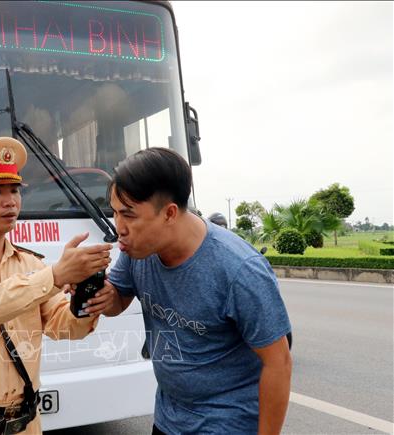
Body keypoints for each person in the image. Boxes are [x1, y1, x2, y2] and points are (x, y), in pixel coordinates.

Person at [84, 148, 292, 434]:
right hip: (170, 417)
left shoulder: (239, 270)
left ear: (169, 213)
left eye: (129, 215)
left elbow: (278, 362)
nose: (119, 227)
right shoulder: (138, 249)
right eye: (115, 212)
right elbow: (117, 299)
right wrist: (92, 290)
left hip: (226, 422)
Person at [0, 137, 113, 435]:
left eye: (14, 190)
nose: (10, 200)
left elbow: (64, 327)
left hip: (25, 424)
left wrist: (86, 299)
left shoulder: (31, 264)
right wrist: (57, 276)